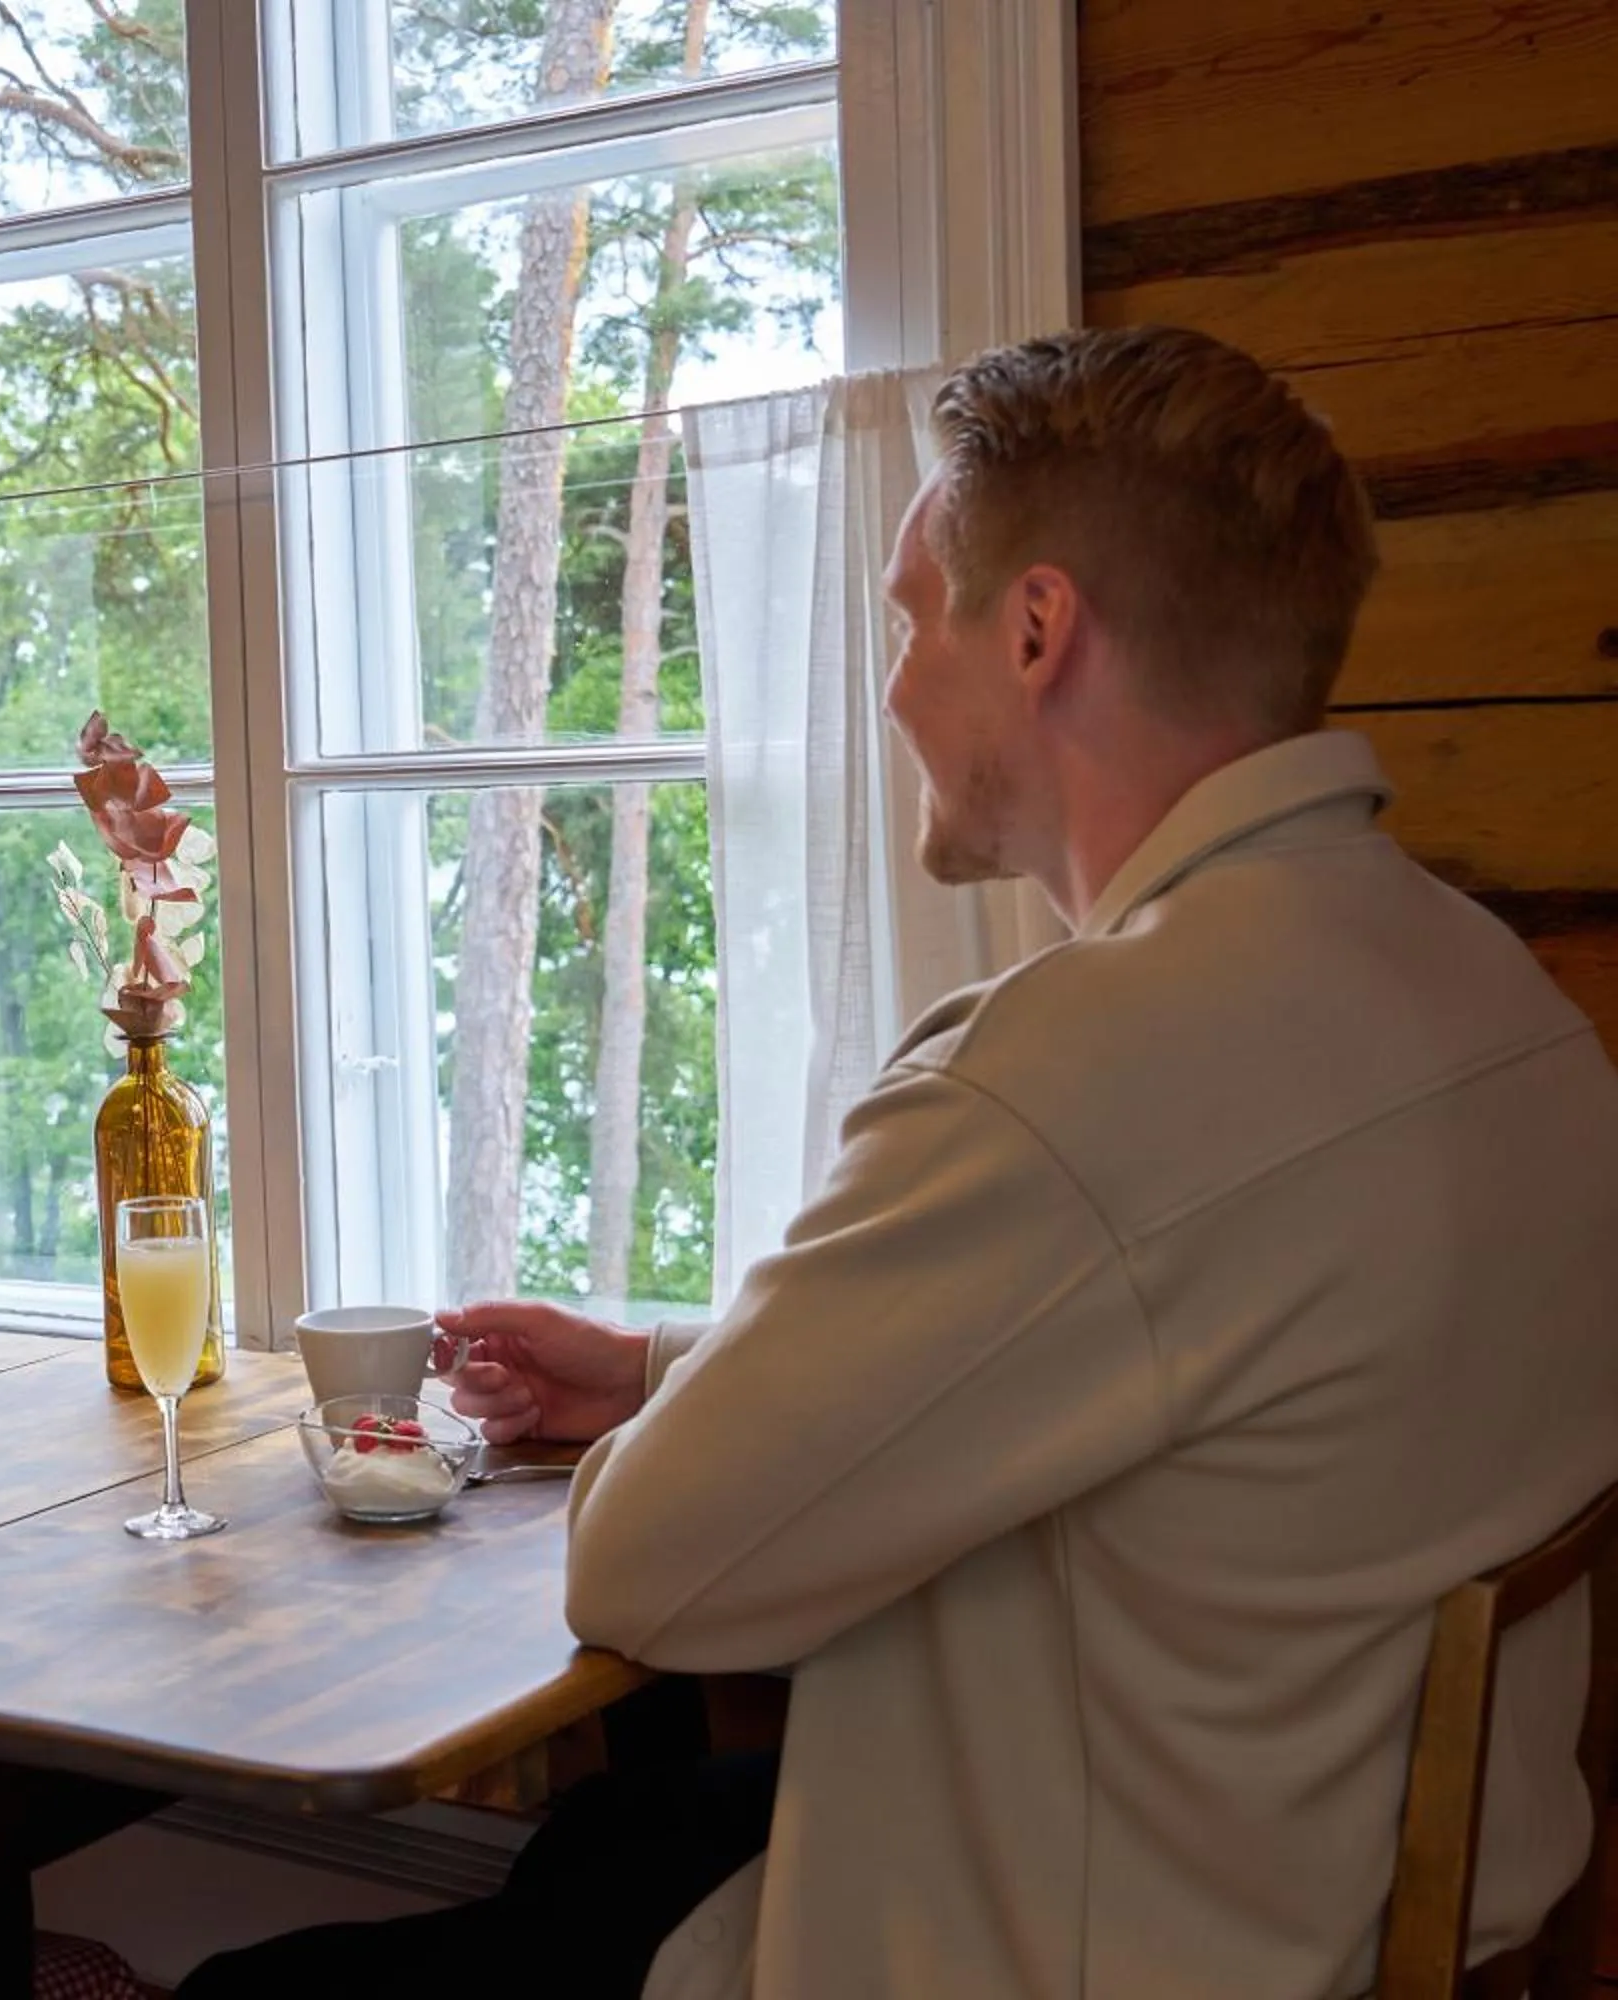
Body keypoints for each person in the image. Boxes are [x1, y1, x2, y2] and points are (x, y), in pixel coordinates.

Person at [187, 325, 1618, 1999]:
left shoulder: (1080, 1068)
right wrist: (663, 1367)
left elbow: (648, 1573)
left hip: (1079, 1944)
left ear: (1034, 629)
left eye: (904, 615)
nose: (887, 685)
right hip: (1342, 1900)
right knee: (617, 1846)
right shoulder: (1490, 994)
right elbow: (1159, 1352)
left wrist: (669, 1442)